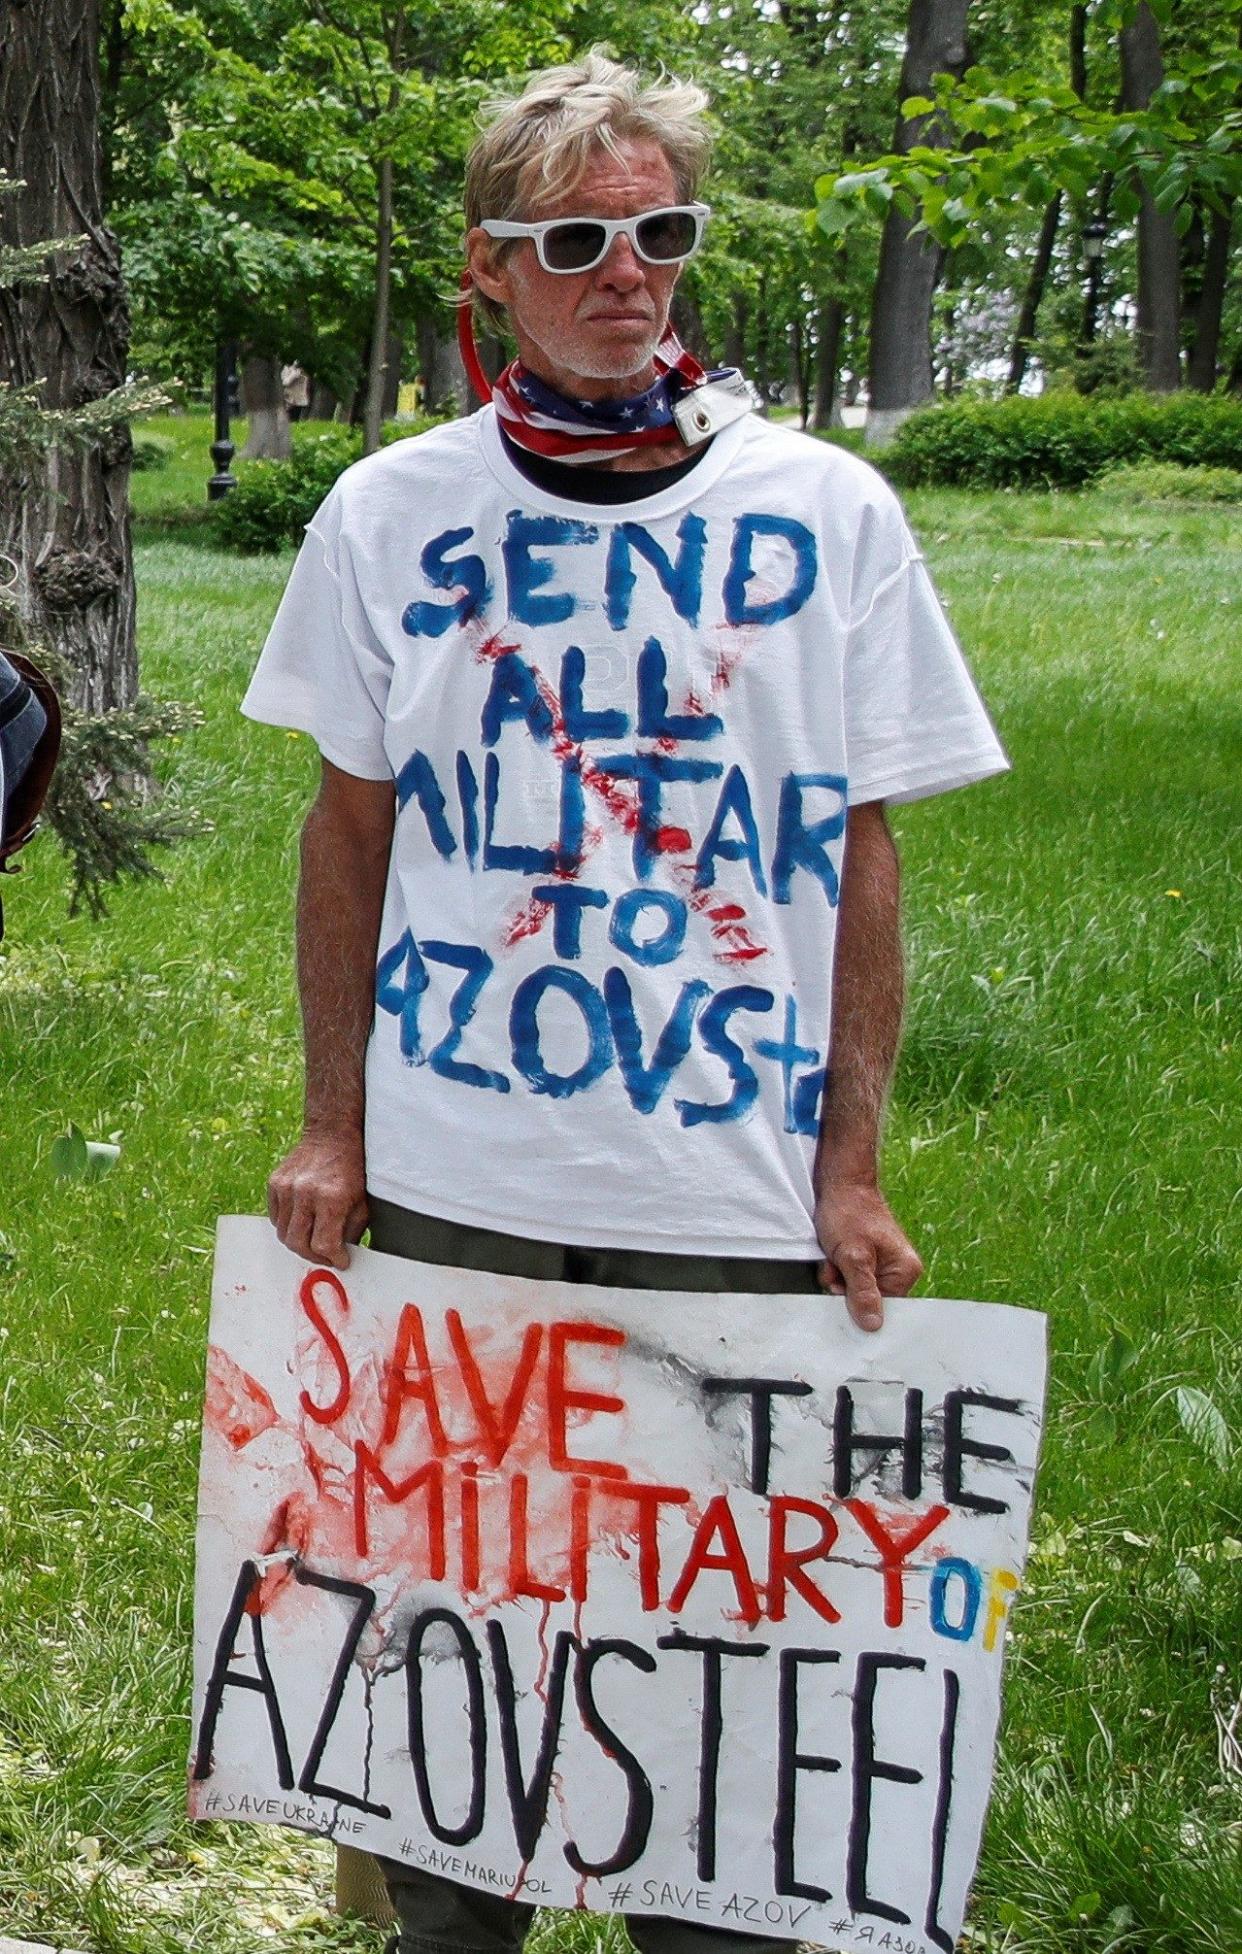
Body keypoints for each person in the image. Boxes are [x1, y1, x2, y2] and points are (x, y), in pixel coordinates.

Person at [242, 50, 1008, 1954]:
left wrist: (849, 1168)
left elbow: (860, 852)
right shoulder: (386, 515)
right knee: (445, 1654)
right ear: (490, 276)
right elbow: (350, 837)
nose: (628, 273)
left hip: (723, 1196)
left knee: (719, 1674)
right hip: (457, 1173)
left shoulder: (823, 511)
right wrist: (335, 1123)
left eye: (659, 231)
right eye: (575, 238)